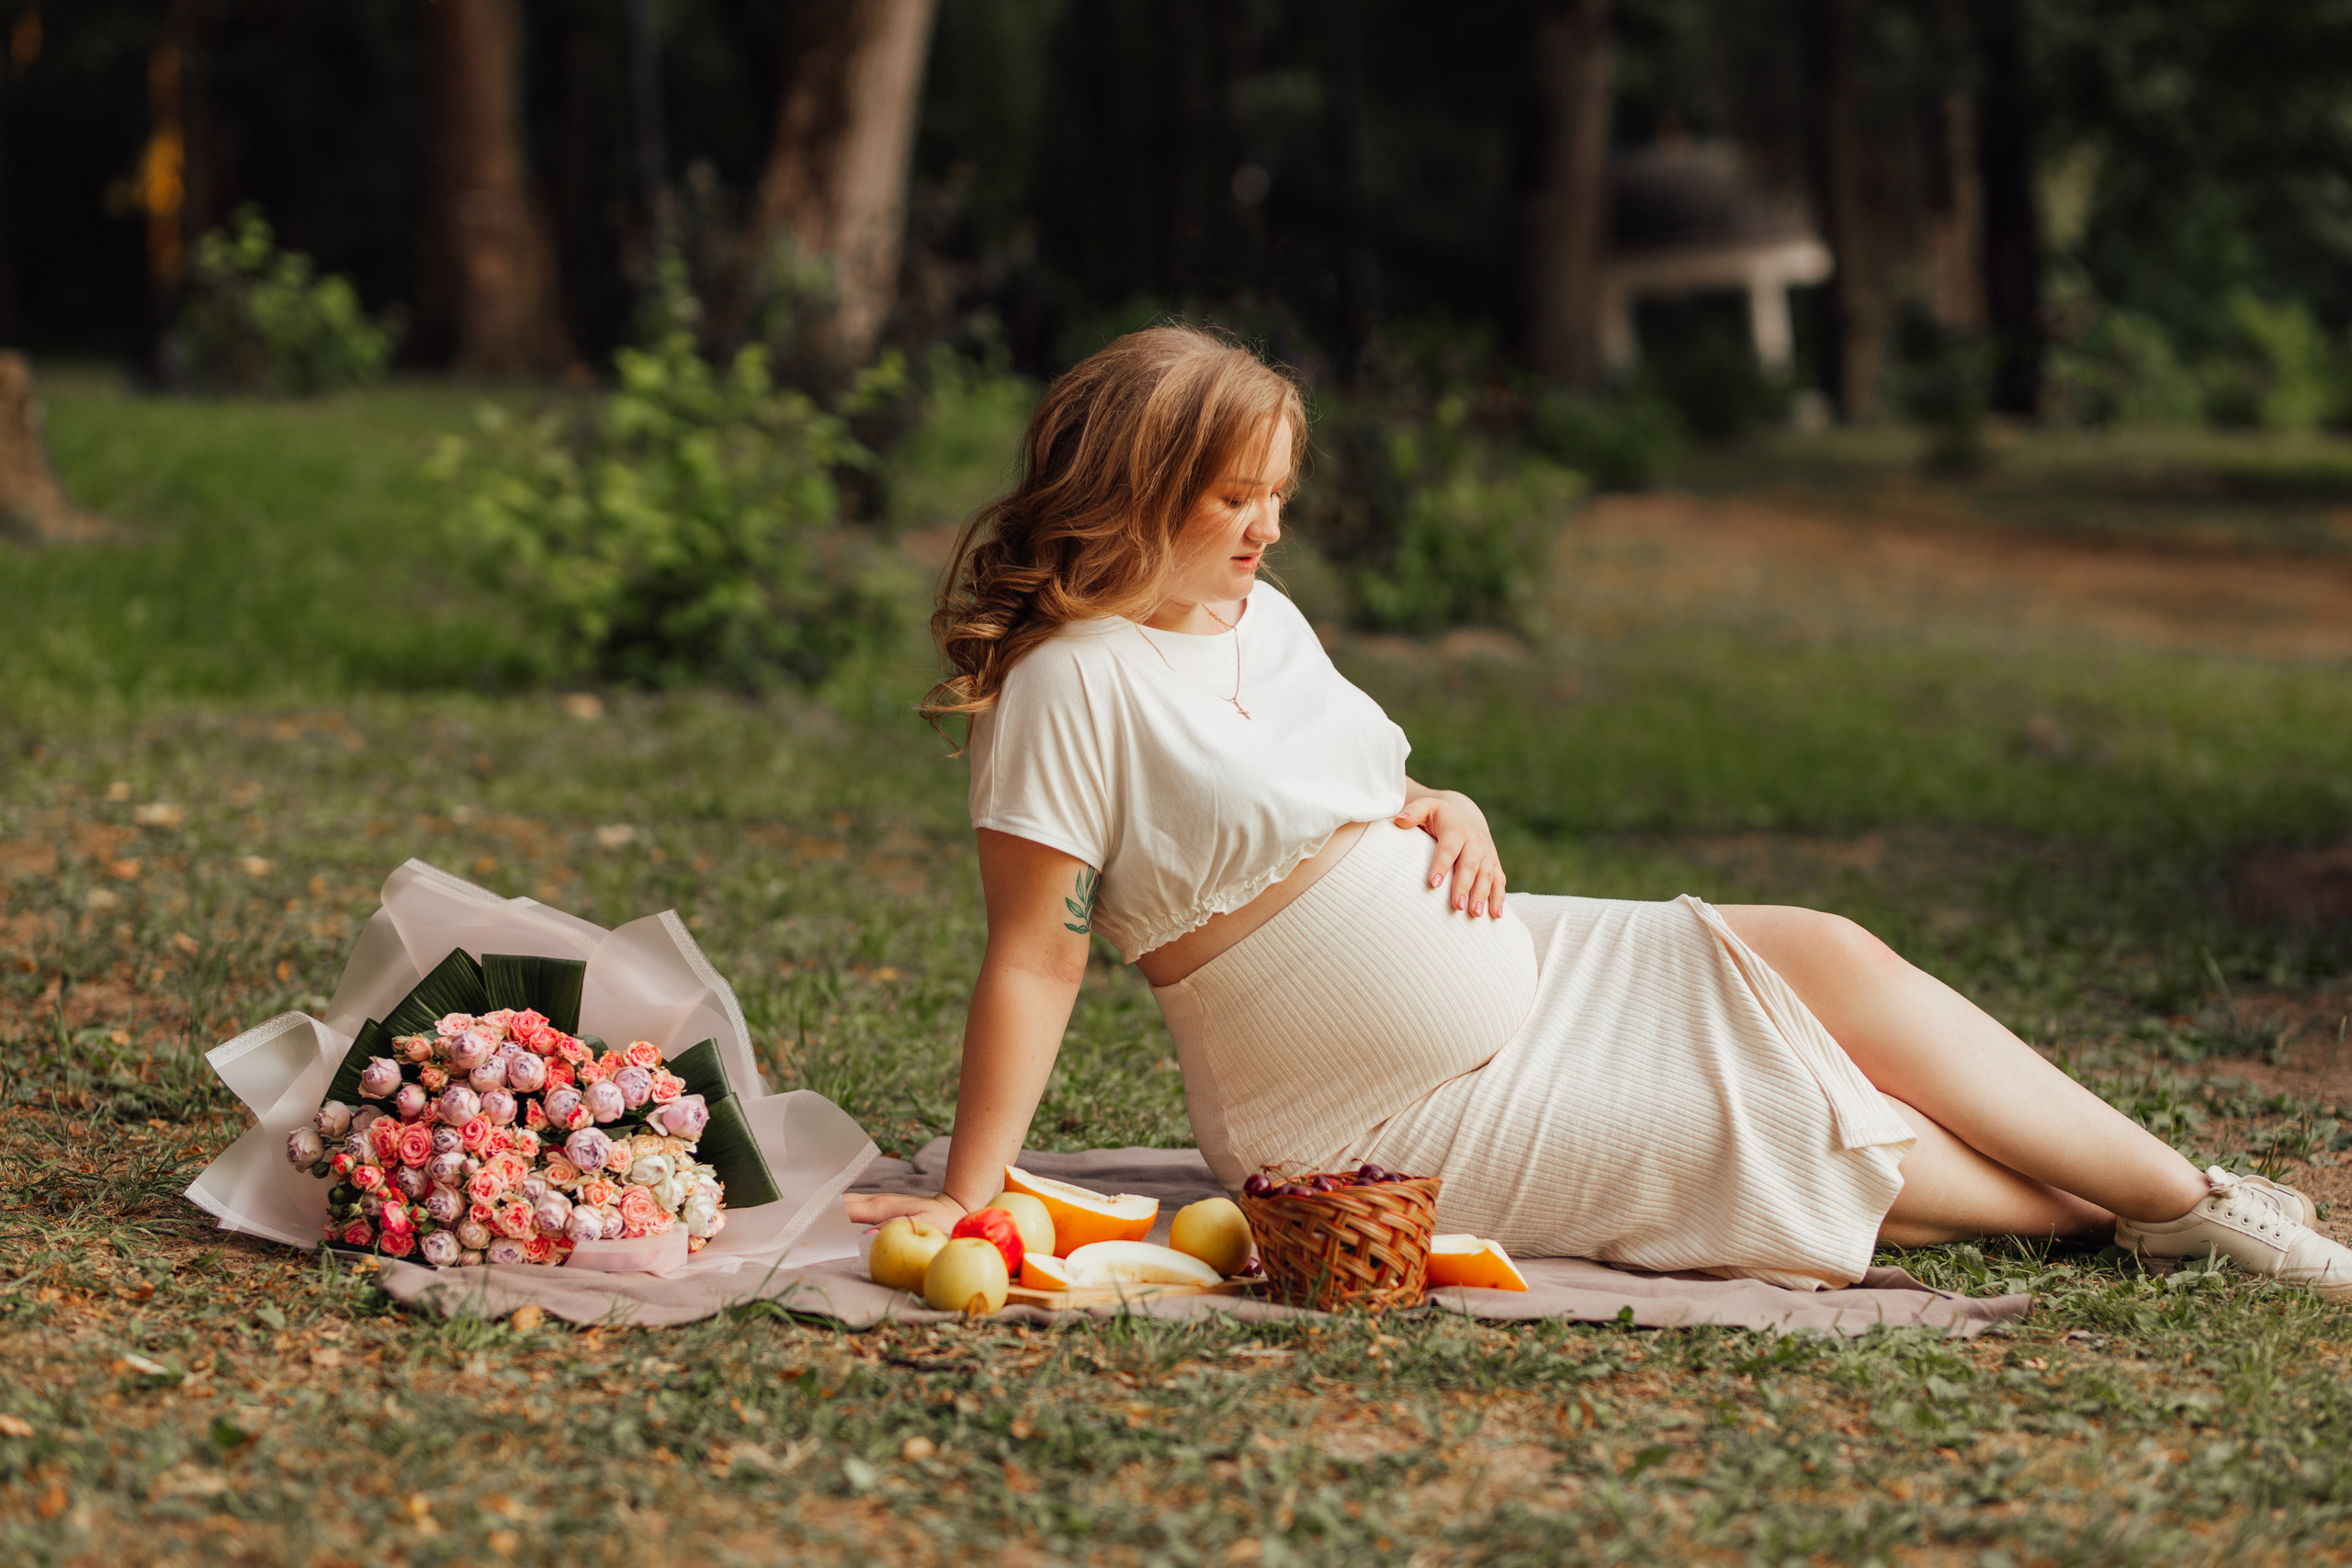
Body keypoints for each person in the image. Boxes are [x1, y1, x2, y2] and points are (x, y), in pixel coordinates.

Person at [845, 325, 2350, 1301]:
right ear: (1134, 486)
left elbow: (1331, 784)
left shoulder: (1261, 618)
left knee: (1815, 950)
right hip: (1367, 1112)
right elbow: (1037, 956)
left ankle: (2186, 1201)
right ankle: (2159, 1216)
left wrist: (1446, 802)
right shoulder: (1068, 688)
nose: (1269, 526)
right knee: (1835, 1134)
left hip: (1544, 976)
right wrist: (974, 1194)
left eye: (1280, 494)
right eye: (1235, 497)